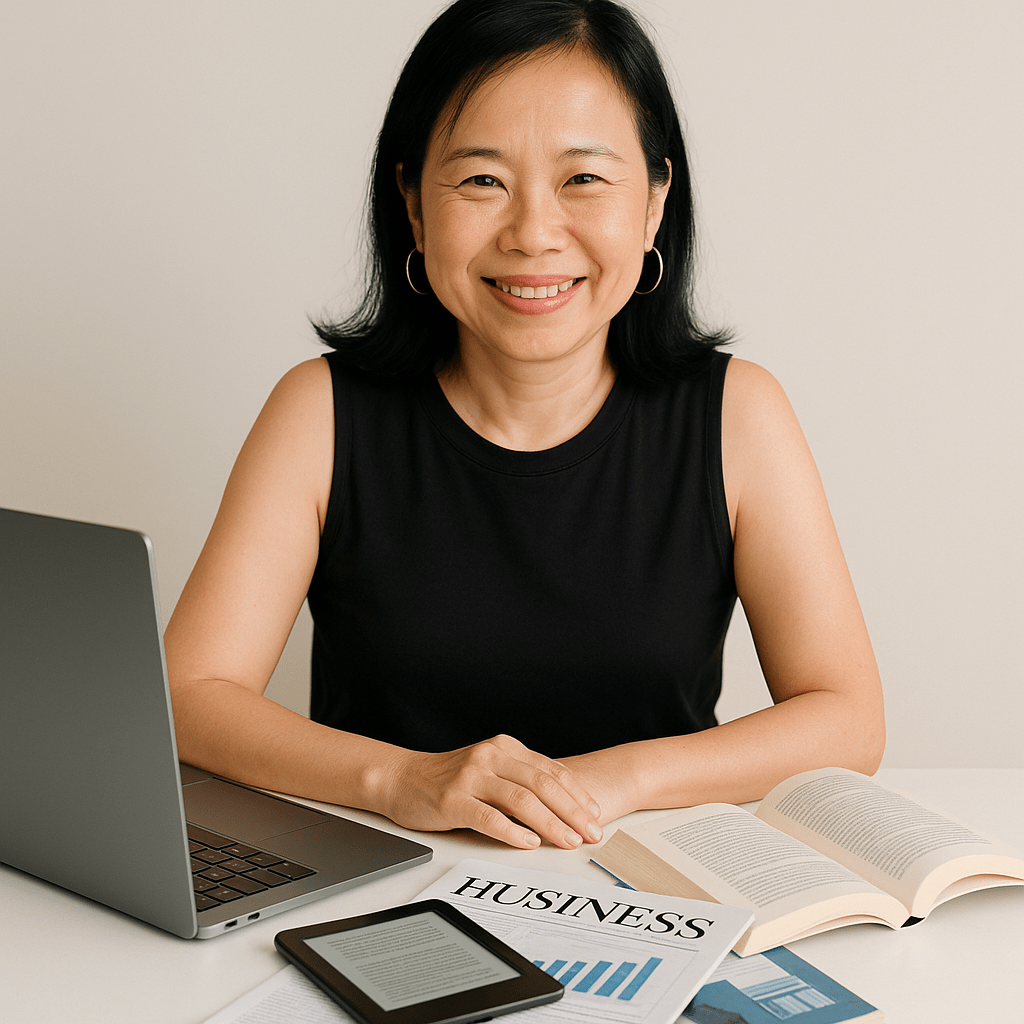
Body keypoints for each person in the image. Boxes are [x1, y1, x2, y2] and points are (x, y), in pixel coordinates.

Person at [165, 0, 884, 854]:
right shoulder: (318, 411)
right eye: (481, 180)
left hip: (650, 881)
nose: (534, 234)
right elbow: (187, 693)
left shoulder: (739, 414)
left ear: (654, 203)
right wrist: (400, 780)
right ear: (413, 204)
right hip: (385, 881)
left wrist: (611, 781)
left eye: (584, 179)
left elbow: (847, 717)